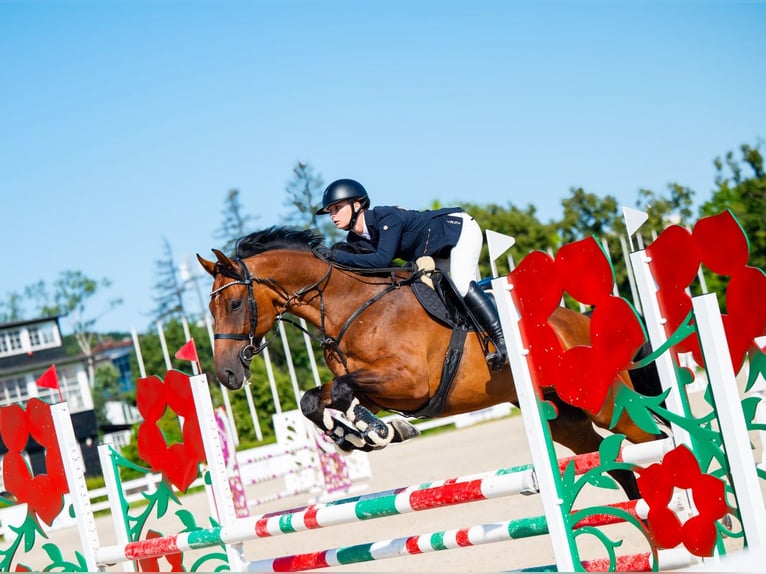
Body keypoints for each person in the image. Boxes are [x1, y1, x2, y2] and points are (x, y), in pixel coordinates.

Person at [314, 178, 507, 371]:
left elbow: (381, 260)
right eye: (330, 211)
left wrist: (337, 256)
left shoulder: (386, 218)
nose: (332, 215)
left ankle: (502, 340)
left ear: (357, 205)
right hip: (436, 251)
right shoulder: (355, 238)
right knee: (435, 294)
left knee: (462, 285)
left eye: (337, 208)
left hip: (458, 232)